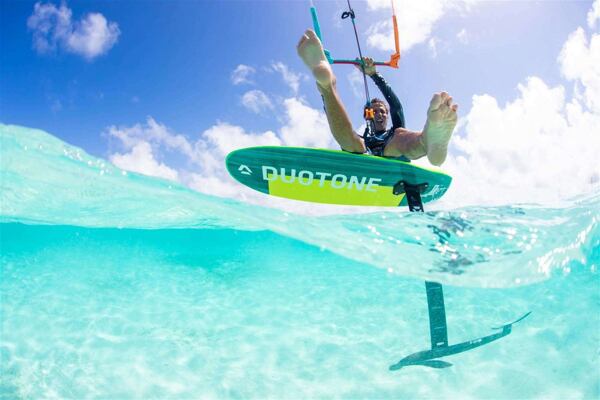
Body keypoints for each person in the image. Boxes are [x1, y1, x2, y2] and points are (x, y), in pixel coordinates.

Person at [297, 29, 457, 166]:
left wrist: (374, 74)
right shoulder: (363, 140)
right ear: (368, 115)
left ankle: (428, 141)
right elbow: (354, 139)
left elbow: (396, 107)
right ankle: (327, 86)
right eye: (375, 111)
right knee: (350, 141)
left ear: (387, 115)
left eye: (382, 111)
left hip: (393, 152)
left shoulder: (394, 134)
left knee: (400, 135)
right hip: (364, 155)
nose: (380, 114)